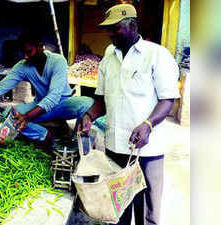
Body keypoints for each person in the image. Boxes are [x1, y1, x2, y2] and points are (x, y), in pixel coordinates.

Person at [77, 4, 180, 225]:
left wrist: (148, 124)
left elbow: (167, 100)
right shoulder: (108, 57)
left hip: (147, 150)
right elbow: (103, 100)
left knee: (146, 213)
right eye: (109, 29)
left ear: (132, 25)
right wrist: (88, 116)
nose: (110, 34)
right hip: (116, 148)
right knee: (118, 209)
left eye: (116, 28)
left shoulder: (157, 56)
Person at [0, 30, 94, 151]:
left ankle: (76, 145)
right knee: (8, 115)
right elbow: (0, 87)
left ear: (40, 46)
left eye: (29, 52)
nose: (25, 57)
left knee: (89, 105)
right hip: (40, 104)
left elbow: (53, 96)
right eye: (23, 52)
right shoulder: (23, 66)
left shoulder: (58, 61)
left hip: (64, 103)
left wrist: (27, 116)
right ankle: (45, 136)